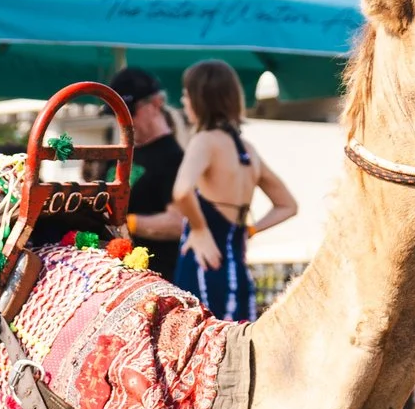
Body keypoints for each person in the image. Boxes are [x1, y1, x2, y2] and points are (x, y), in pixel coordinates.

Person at [171, 60, 298, 320]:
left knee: (201, 348)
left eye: (186, 94)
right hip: (237, 270)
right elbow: (288, 205)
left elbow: (182, 190)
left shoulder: (205, 141)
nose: (183, 102)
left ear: (200, 98)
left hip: (205, 265)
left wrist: (199, 228)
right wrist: (250, 230)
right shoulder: (247, 150)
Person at [108, 66, 187, 276]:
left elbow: (179, 223)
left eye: (129, 110)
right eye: (116, 112)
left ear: (156, 104)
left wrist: (125, 222)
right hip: (116, 273)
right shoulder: (120, 153)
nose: (122, 119)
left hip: (156, 278)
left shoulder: (174, 158)